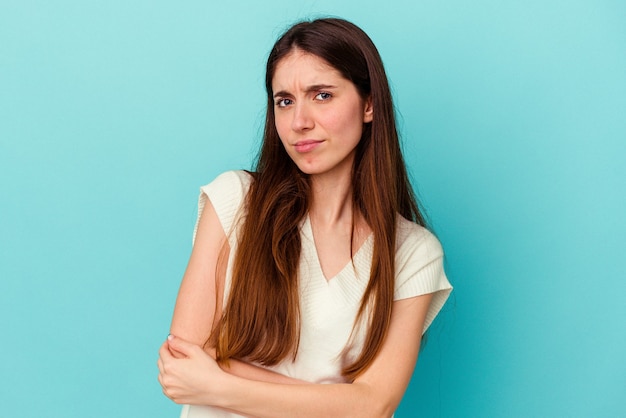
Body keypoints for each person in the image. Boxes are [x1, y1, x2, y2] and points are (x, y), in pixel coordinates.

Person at [157, 17, 452, 418]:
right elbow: (183, 362)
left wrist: (218, 385)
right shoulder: (235, 201)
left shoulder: (413, 253)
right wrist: (340, 401)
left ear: (368, 104)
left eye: (322, 95)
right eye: (285, 101)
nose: (299, 122)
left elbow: (375, 406)